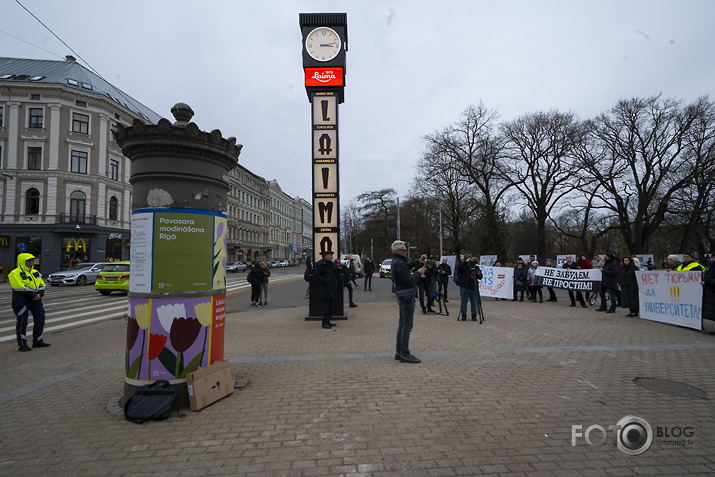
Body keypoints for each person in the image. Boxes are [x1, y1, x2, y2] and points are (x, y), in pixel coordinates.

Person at [391, 240, 427, 363]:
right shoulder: (400, 263)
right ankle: (404, 353)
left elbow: (407, 266)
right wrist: (418, 273)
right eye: (404, 250)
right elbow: (409, 279)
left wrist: (418, 261)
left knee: (402, 324)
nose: (406, 252)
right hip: (406, 295)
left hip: (402, 294)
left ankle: (399, 351)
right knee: (407, 325)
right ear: (397, 251)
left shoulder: (398, 261)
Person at [10, 253, 51, 352]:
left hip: (36, 300)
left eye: (32, 260)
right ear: (22, 262)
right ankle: (22, 345)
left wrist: (39, 294)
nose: (31, 262)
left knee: (40, 319)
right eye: (28, 260)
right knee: (22, 322)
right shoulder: (15, 273)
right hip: (22, 301)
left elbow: (42, 284)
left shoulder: (35, 272)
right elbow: (19, 287)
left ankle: (37, 341)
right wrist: (33, 295)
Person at [315, 250, 339, 329]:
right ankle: (324, 322)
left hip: (332, 288)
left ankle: (328, 321)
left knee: (330, 306)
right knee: (326, 307)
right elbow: (317, 275)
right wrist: (326, 281)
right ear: (326, 256)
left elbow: (335, 274)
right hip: (325, 289)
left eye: (332, 255)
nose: (332, 257)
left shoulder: (332, 264)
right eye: (330, 255)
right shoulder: (321, 264)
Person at [457, 254, 483, 320]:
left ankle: (474, 315)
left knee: (474, 302)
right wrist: (465, 263)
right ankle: (463, 315)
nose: (470, 260)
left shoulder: (475, 267)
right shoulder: (463, 266)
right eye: (468, 259)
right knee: (464, 302)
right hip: (464, 286)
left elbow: (480, 277)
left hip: (473, 287)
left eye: (470, 259)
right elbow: (458, 270)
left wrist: (479, 274)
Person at [702, 260, 715, 326]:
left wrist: (707, 282)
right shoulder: (711, 267)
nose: (713, 259)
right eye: (712, 257)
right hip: (710, 292)